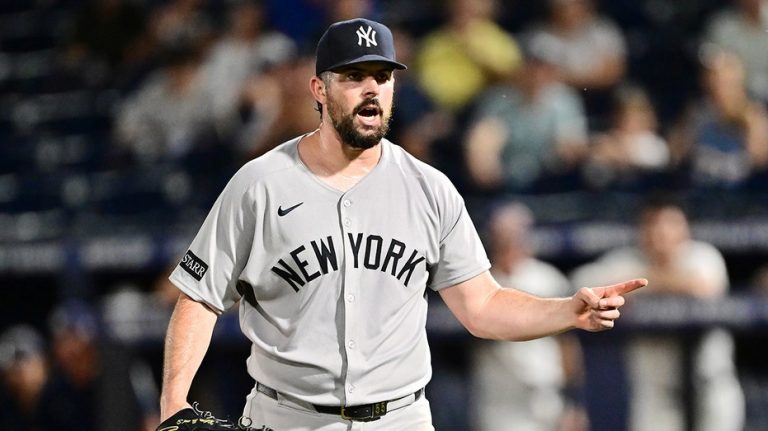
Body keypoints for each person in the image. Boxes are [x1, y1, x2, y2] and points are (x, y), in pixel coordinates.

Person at [157, 18, 646, 431]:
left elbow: (483, 306)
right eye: (353, 76)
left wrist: (567, 311)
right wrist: (174, 403)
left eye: (382, 76)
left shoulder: (429, 189)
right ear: (319, 89)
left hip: (400, 418)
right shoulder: (259, 184)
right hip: (286, 417)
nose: (371, 88)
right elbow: (199, 296)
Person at [570, 195, 745, 431]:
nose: (661, 233)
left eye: (670, 224)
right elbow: (581, 286)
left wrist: (638, 285)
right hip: (656, 396)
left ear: (685, 228)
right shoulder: (624, 261)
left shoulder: (703, 255)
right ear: (641, 231)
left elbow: (701, 285)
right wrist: (661, 281)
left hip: (710, 387)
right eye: (653, 224)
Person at [470, 202, 587, 431]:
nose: (510, 239)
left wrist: (574, 403)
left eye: (516, 232)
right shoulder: (479, 282)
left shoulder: (547, 277)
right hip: (501, 403)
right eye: (502, 233)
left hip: (547, 397)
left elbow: (568, 345)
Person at [464, 39, 588, 192]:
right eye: (532, 67)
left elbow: (571, 146)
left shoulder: (565, 100)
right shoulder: (497, 99)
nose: (537, 75)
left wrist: (570, 150)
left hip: (549, 180)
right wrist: (483, 155)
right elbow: (483, 144)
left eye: (544, 68)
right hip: (506, 182)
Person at [0, 325, 48, 431]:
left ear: (43, 362)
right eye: (10, 363)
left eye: (23, 358)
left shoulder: (63, 400)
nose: (17, 369)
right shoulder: (5, 406)